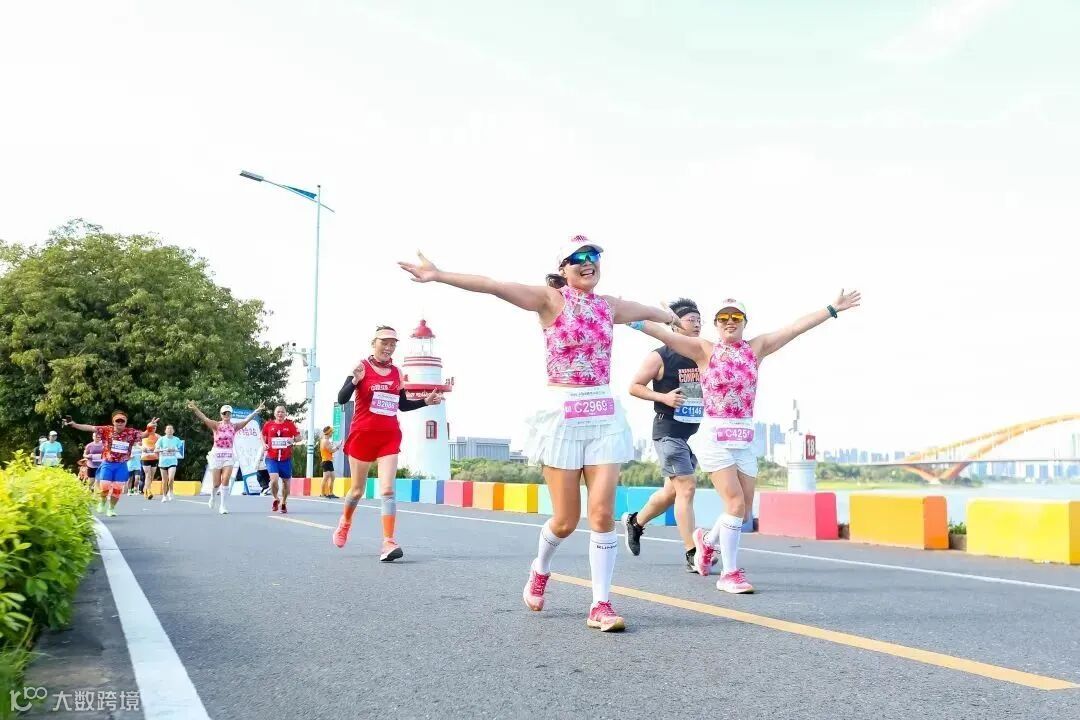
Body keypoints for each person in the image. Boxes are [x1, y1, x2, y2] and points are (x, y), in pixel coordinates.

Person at [398, 237, 679, 632]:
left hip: (602, 414)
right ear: (563, 268)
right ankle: (540, 568)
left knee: (602, 514)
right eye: (578, 258)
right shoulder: (549, 300)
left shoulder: (608, 305)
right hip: (562, 415)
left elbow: (648, 310)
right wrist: (439, 275)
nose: (588, 263)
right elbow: (493, 285)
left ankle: (600, 603)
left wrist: (669, 315)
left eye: (594, 257)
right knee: (566, 520)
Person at [627, 290, 861, 593]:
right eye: (723, 317)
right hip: (715, 436)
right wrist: (625, 316)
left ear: (744, 322)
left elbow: (794, 328)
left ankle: (706, 542)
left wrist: (831, 308)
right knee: (734, 503)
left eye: (735, 317)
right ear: (716, 323)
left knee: (744, 511)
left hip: (744, 438)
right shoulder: (704, 350)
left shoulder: (756, 348)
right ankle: (730, 573)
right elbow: (662, 334)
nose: (729, 322)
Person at [332, 326, 443, 561]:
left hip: (388, 436)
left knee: (388, 490)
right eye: (384, 342)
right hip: (363, 436)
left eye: (393, 344)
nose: (389, 347)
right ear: (374, 343)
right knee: (357, 490)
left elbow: (401, 405)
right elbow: (341, 399)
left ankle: (388, 542)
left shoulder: (396, 372)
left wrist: (425, 401)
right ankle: (345, 522)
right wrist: (354, 381)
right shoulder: (361, 367)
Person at [623, 298, 716, 572]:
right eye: (691, 320)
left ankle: (636, 522)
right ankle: (692, 552)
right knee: (687, 487)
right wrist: (662, 397)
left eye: (699, 320)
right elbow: (634, 386)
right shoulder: (660, 356)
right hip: (668, 432)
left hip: (692, 434)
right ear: (675, 324)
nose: (697, 325)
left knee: (671, 492)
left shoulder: (704, 353)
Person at [63, 411, 159, 516]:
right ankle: (102, 502)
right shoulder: (106, 430)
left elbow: (145, 434)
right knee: (105, 485)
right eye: (117, 421)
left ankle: (111, 509)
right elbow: (90, 428)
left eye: (122, 421)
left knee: (117, 489)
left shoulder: (131, 432)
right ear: (113, 422)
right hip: (108, 463)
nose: (120, 423)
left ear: (126, 422)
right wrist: (74, 424)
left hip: (121, 465)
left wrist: (150, 427)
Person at [187, 401, 265, 514]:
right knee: (216, 483)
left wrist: (256, 411)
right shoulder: (216, 425)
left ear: (231, 414)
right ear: (221, 414)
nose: (226, 415)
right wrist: (195, 409)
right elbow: (204, 418)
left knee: (225, 480)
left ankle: (223, 506)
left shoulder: (234, 426)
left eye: (228, 413)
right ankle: (213, 496)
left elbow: (246, 420)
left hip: (228, 455)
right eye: (224, 413)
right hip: (216, 455)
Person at [261, 405, 303, 514]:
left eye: (282, 412)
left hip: (285, 459)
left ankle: (284, 502)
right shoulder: (268, 424)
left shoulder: (290, 425)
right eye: (278, 412)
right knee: (274, 480)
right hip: (272, 458)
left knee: (286, 483)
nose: (280, 414)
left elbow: (299, 437)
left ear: (285, 414)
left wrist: (293, 440)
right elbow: (262, 436)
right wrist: (264, 444)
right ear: (275, 413)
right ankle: (275, 498)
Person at [155, 424, 183, 502]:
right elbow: (156, 450)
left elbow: (180, 449)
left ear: (173, 431)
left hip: (172, 461)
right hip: (163, 462)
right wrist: (164, 450)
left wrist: (173, 449)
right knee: (164, 480)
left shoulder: (177, 439)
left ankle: (170, 492)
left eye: (171, 429)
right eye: (168, 428)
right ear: (165, 431)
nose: (169, 430)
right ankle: (164, 496)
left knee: (171, 478)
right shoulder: (161, 439)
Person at [319, 426, 342, 498]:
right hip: (326, 461)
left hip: (328, 461)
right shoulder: (326, 441)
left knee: (332, 477)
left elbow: (330, 449)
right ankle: (322, 493)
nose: (332, 434)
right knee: (326, 477)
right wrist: (338, 446)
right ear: (328, 433)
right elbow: (331, 450)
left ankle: (330, 493)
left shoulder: (325, 440)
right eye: (331, 432)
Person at [140, 423, 160, 500]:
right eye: (152, 427)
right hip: (145, 457)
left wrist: (156, 448)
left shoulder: (158, 436)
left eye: (155, 428)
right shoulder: (144, 435)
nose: (153, 429)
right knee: (148, 474)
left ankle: (146, 489)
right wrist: (141, 448)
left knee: (151, 476)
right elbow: (136, 444)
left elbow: (161, 445)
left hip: (154, 457)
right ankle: (149, 491)